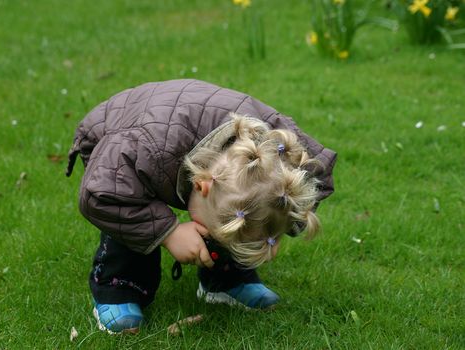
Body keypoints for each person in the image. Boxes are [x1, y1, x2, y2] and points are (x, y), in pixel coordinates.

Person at [66, 79, 336, 334]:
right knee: (132, 207)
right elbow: (102, 192)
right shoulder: (142, 149)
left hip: (184, 135)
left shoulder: (283, 148)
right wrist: (168, 232)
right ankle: (120, 286)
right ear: (201, 186)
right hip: (117, 143)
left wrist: (280, 224)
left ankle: (226, 280)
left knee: (235, 216)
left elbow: (317, 176)